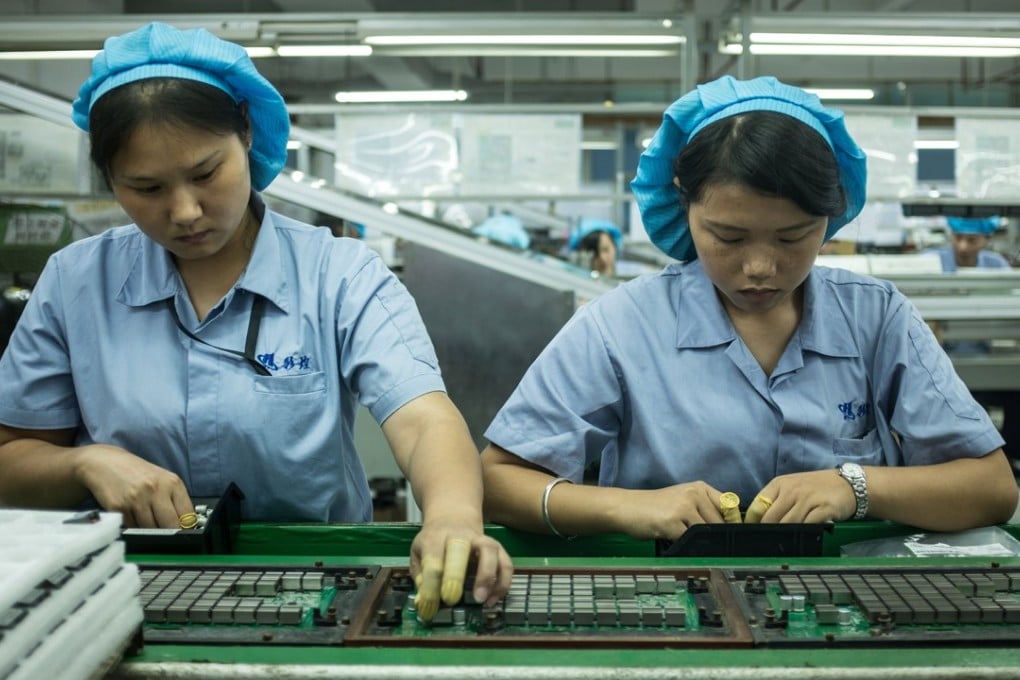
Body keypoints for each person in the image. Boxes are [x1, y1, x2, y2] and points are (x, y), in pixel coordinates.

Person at [0, 22, 511, 619]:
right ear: (110, 179)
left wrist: (451, 519)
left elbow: (423, 419)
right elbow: (12, 461)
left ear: (245, 132)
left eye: (205, 173)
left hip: (319, 586)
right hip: (121, 589)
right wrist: (85, 463)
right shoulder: (75, 282)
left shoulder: (337, 274)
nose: (185, 211)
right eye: (146, 187)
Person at [480, 75, 1017, 542]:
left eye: (792, 237)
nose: (760, 267)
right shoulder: (620, 326)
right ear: (682, 205)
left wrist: (854, 487)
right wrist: (630, 506)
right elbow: (499, 480)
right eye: (728, 236)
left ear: (829, 220)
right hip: (671, 597)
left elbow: (991, 488)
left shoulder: (875, 319)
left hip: (850, 597)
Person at [930, 216, 1011, 273]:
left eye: (972, 240)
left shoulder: (997, 265)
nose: (962, 247)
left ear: (987, 239)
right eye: (958, 238)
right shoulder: (930, 259)